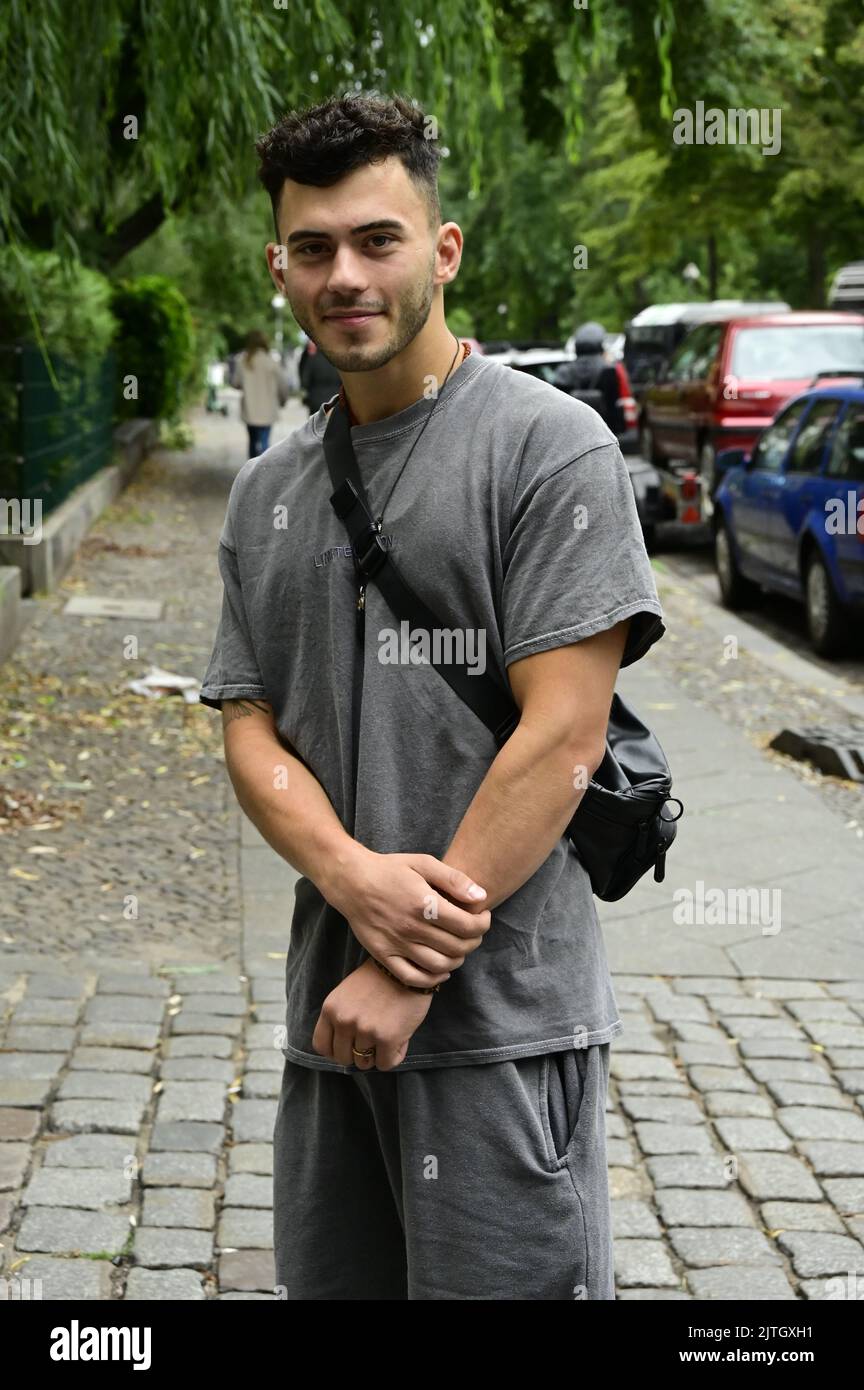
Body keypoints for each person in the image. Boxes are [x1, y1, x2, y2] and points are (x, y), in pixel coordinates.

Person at [199, 92, 665, 1301]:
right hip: (330, 1026)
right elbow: (251, 730)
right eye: (314, 249)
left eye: (377, 239)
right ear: (280, 267)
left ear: (442, 250)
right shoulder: (266, 495)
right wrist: (355, 885)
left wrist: (407, 968)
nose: (344, 273)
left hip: (503, 1029)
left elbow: (563, 735)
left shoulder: (548, 450)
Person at [552, 322, 629, 434]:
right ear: (600, 345)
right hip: (604, 432)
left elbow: (556, 407)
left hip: (571, 432)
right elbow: (615, 405)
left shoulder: (564, 371)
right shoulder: (609, 370)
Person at [231, 329, 289, 458]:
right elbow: (283, 385)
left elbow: (235, 383)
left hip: (250, 409)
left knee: (252, 441)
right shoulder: (271, 361)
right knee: (264, 441)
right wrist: (283, 400)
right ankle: (262, 471)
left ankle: (251, 469)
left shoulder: (243, 362)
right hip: (267, 410)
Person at [297, 338, 342, 414]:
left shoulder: (312, 359)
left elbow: (305, 381)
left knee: (317, 425)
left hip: (316, 400)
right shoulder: (337, 360)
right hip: (336, 400)